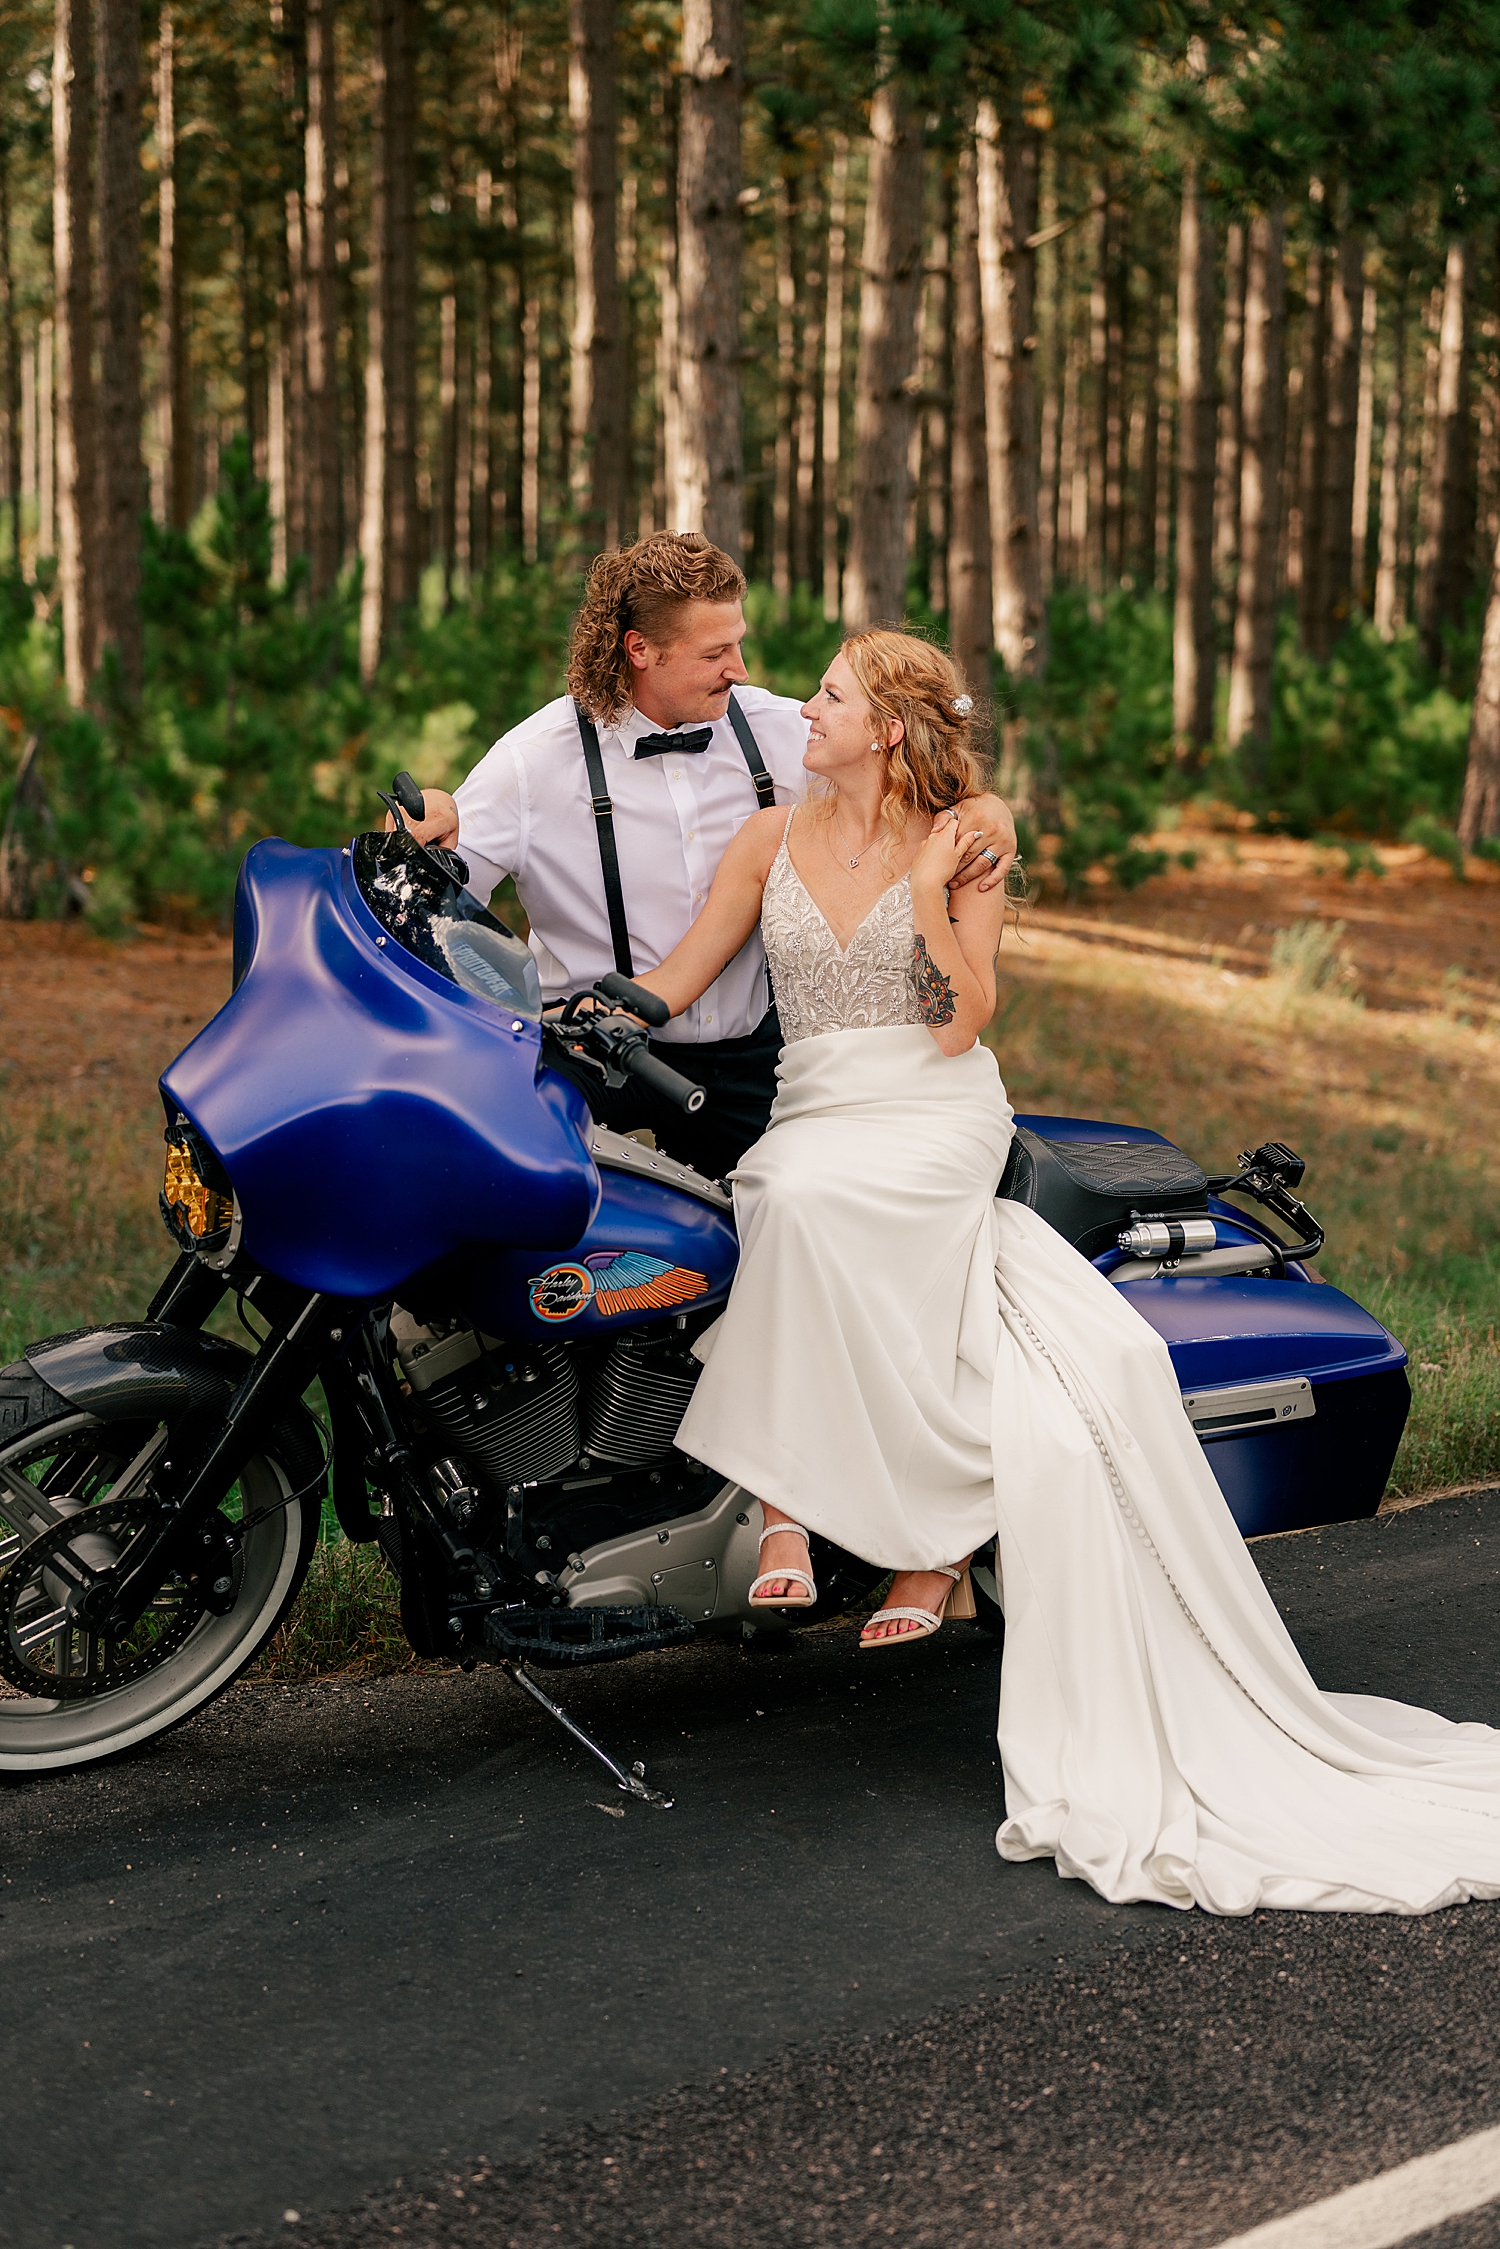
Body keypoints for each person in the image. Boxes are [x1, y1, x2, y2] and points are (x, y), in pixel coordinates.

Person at [637, 626, 1500, 1918]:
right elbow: (679, 975)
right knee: (788, 1194)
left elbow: (962, 1019)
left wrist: (930, 896)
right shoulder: (768, 836)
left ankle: (810, 1519)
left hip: (932, 1106)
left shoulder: (972, 825)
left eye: (826, 696)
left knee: (813, 1206)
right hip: (816, 1107)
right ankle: (869, 1528)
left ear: (890, 726)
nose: (800, 710)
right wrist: (567, 1015)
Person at [388, 530, 1016, 1179]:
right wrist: (419, 824)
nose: (741, 668)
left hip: (753, 1060)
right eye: (716, 651)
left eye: (738, 642)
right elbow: (430, 889)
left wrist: (987, 814)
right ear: (641, 650)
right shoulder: (533, 761)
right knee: (530, 1201)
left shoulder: (783, 733)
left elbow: (902, 779)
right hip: (596, 1048)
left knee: (751, 1238)